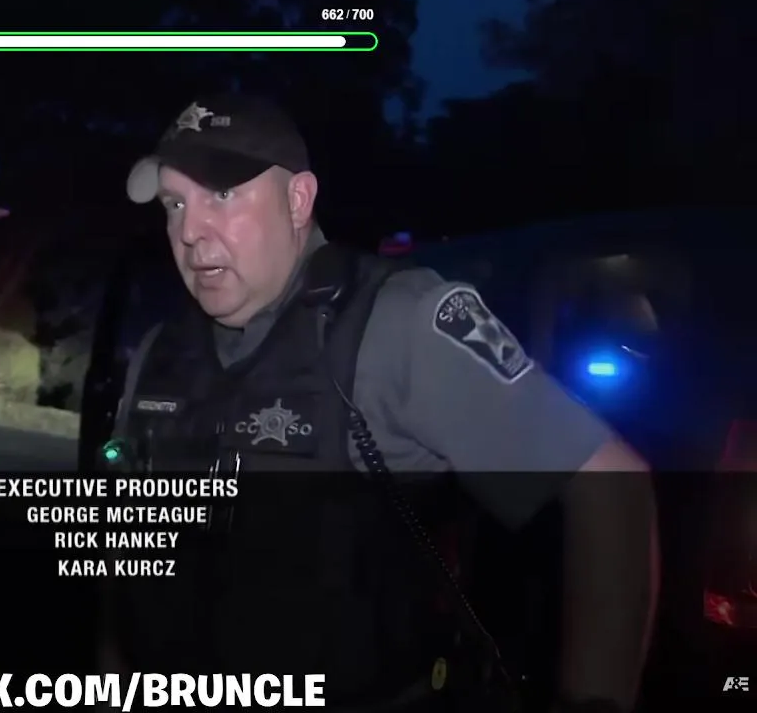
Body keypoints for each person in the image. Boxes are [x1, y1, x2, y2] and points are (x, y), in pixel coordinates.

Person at [98, 94, 659, 713]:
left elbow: (608, 481)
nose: (189, 231)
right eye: (175, 203)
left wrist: (592, 701)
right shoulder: (160, 353)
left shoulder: (396, 324)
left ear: (298, 200)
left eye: (222, 195)